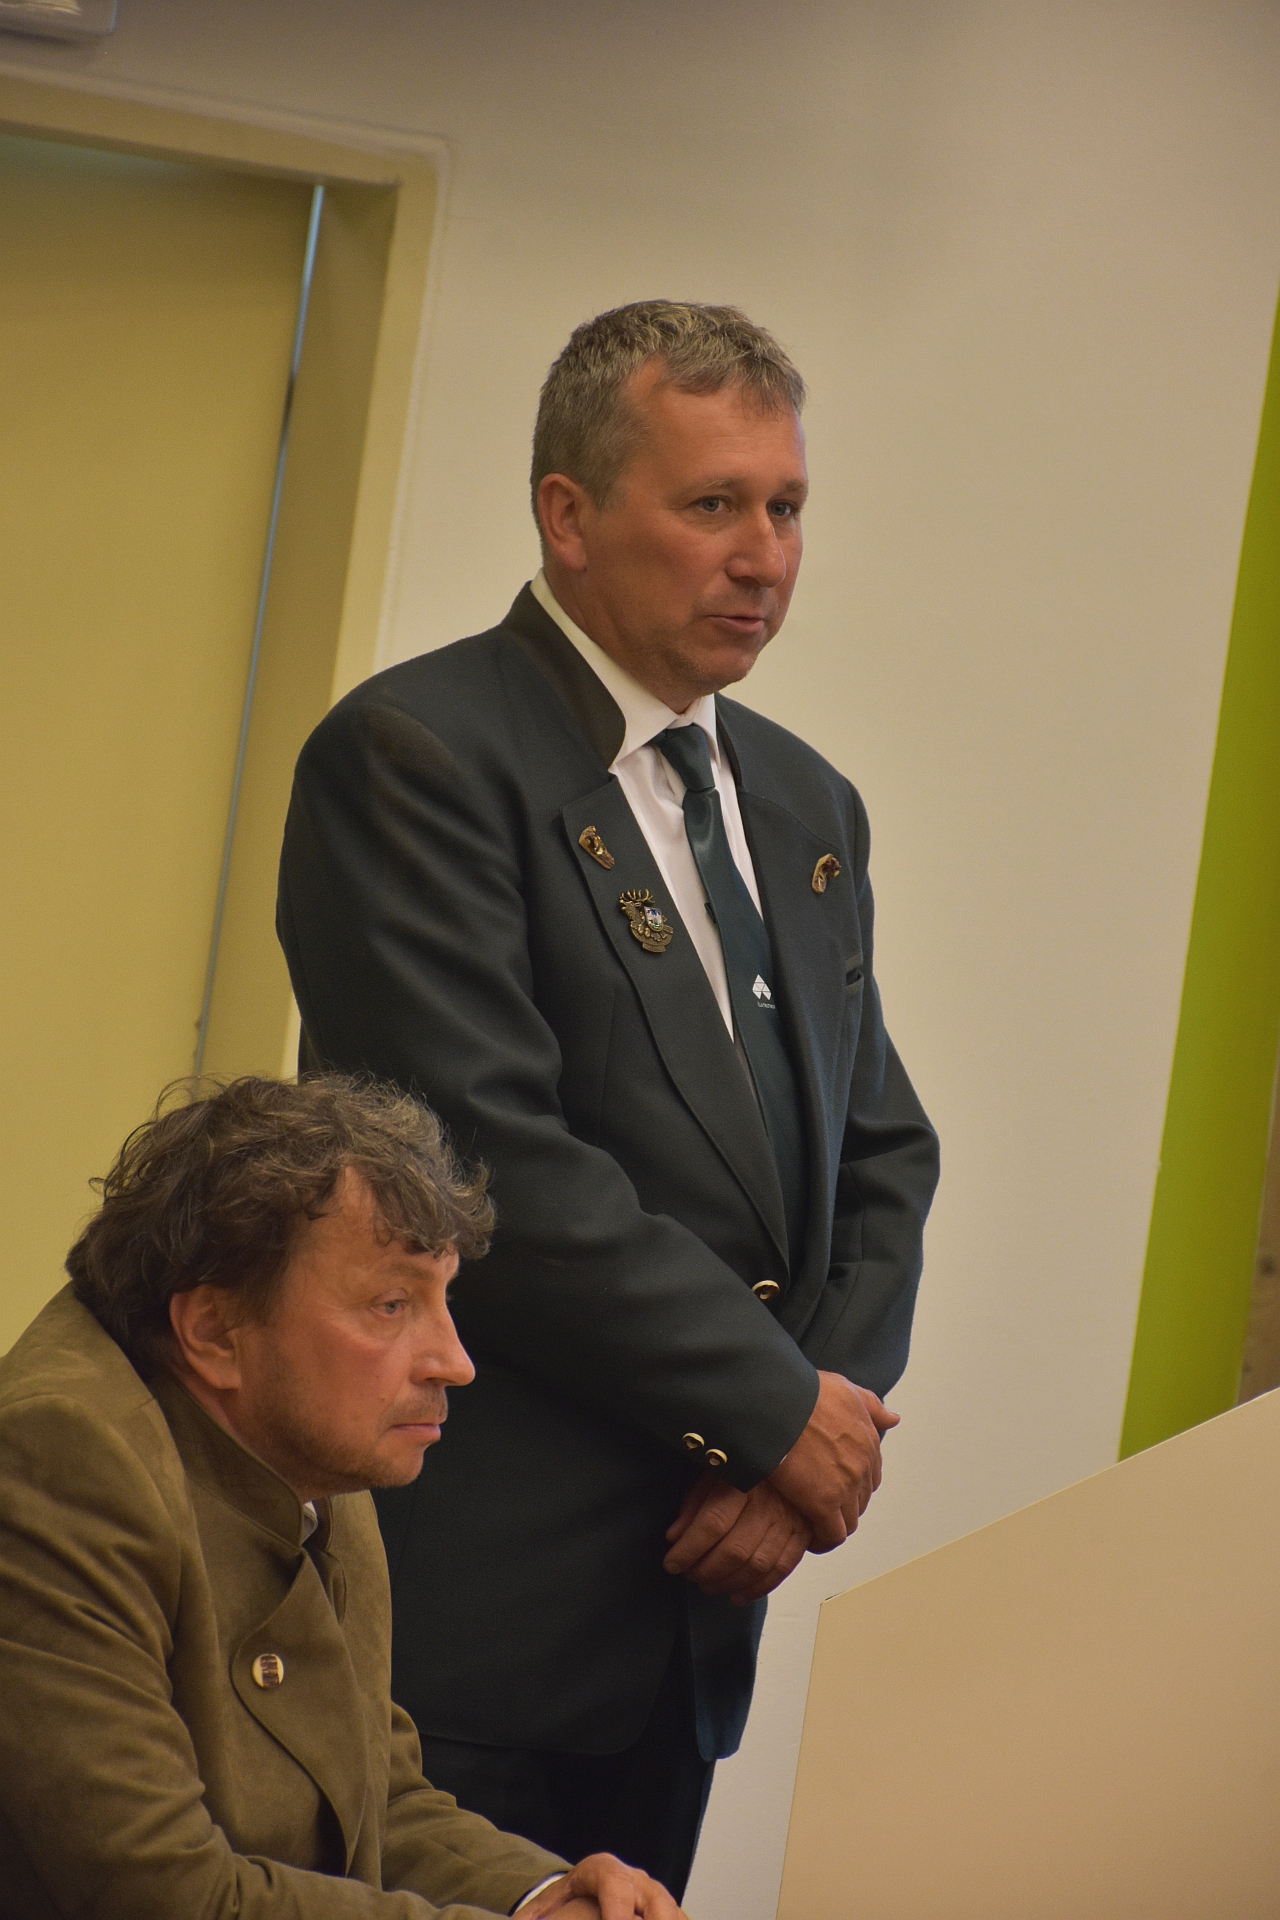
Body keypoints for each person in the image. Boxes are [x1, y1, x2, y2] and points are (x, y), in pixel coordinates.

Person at [277, 300, 940, 1897]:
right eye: (712, 504)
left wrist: (799, 1447)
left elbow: (881, 1157)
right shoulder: (418, 755)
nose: (765, 557)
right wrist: (775, 1417)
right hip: (478, 1618)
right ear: (567, 517)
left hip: (697, 1602)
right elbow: (490, 1165)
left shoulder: (805, 800)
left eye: (786, 507)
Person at [0, 1075, 685, 1920]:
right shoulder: (56, 1458)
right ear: (214, 1331)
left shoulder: (308, 1434)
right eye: (391, 1305)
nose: (455, 1362)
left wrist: (544, 1894)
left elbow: (376, 1798)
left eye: (443, 1299)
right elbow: (166, 1895)